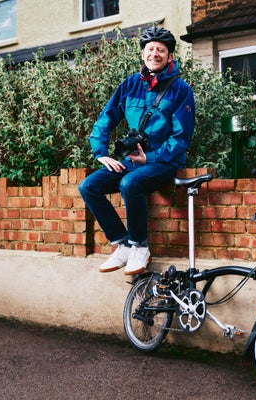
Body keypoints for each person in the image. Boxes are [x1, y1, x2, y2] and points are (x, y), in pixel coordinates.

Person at [78, 27, 195, 275]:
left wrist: (150, 157)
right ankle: (121, 245)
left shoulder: (181, 89)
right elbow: (106, 118)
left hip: (164, 161)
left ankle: (140, 247)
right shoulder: (131, 84)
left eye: (161, 50)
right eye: (150, 49)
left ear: (169, 56)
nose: (155, 54)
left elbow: (181, 137)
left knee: (130, 184)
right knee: (88, 186)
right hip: (132, 160)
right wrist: (101, 153)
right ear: (143, 54)